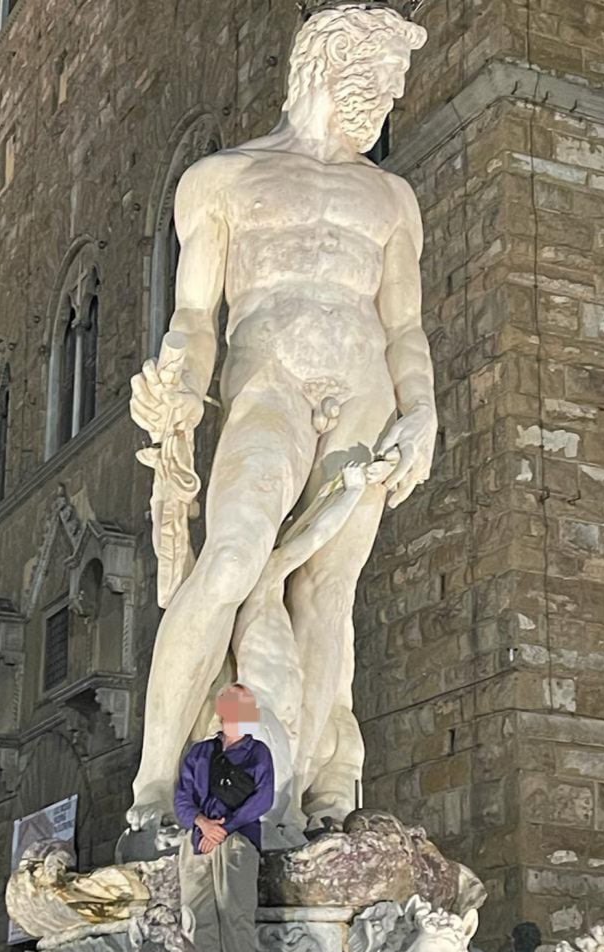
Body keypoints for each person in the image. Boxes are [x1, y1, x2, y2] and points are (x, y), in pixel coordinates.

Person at [127, 3, 435, 831]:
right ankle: (156, 785)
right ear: (324, 65)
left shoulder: (393, 199)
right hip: (267, 382)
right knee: (229, 562)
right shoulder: (224, 180)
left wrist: (424, 412)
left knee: (328, 594)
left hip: (365, 390)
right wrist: (180, 379)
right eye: (377, 78)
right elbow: (196, 318)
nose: (387, 99)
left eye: (397, 87)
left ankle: (303, 792)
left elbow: (405, 326)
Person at [174, 683, 274, 952]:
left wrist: (223, 828)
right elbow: (182, 797)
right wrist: (202, 823)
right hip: (200, 840)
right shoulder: (200, 753)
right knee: (198, 914)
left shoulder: (257, 752)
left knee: (236, 911)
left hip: (237, 838)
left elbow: (263, 798)